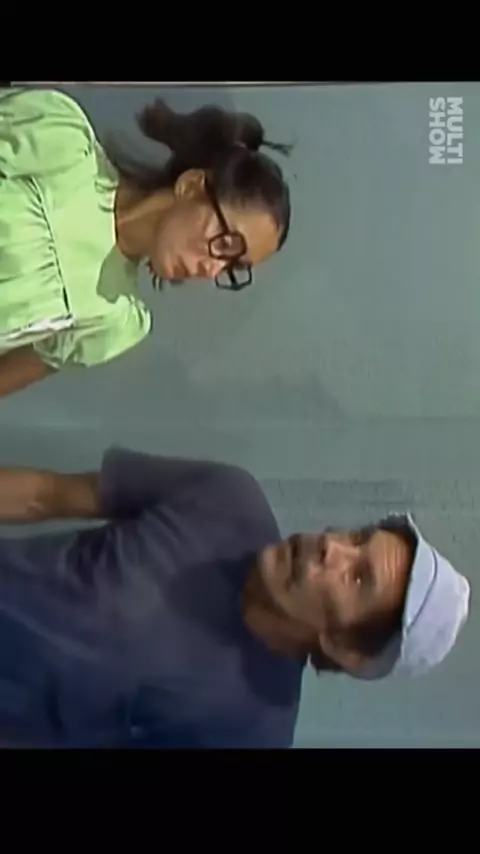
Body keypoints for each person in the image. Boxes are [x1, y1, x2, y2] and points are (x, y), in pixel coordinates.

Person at [0, 447, 470, 748]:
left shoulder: (250, 732)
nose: (332, 545)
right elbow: (46, 495)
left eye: (357, 577)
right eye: (357, 536)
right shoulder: (227, 497)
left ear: (345, 647)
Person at [0, 86, 291, 397]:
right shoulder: (63, 143)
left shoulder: (117, 321)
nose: (211, 270)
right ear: (191, 186)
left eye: (230, 269)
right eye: (226, 244)